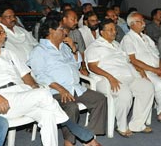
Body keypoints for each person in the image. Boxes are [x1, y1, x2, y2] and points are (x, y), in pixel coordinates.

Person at [0, 23, 102, 146]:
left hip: (23, 95)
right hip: (3, 100)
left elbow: (26, 76)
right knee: (43, 94)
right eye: (0, 32)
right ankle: (77, 129)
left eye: (3, 32)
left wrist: (35, 89)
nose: (4, 35)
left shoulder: (9, 54)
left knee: (48, 115)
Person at [28, 13, 106, 146]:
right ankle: (68, 142)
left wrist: (74, 49)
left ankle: (89, 137)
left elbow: (76, 66)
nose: (65, 32)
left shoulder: (64, 47)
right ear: (51, 31)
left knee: (100, 99)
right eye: (61, 29)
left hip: (75, 87)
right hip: (54, 91)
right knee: (71, 106)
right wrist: (60, 88)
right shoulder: (39, 51)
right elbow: (39, 75)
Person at [85, 19, 154, 137]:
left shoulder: (117, 45)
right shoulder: (94, 47)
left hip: (128, 76)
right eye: (110, 30)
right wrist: (110, 77)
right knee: (125, 94)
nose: (114, 32)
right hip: (107, 79)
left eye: (114, 29)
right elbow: (92, 67)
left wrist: (139, 69)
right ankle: (122, 126)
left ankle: (137, 124)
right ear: (102, 32)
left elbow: (128, 61)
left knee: (148, 87)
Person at [120, 12, 161, 125]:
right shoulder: (128, 39)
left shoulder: (146, 37)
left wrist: (160, 66)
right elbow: (133, 60)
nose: (143, 23)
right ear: (131, 25)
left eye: (143, 20)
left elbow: (157, 54)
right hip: (143, 71)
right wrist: (155, 70)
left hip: (157, 69)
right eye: (140, 21)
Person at [61, 8, 88, 75]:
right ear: (64, 19)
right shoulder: (57, 34)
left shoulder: (76, 33)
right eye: (73, 19)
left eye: (77, 20)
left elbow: (82, 52)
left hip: (77, 65)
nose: (76, 22)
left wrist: (83, 67)